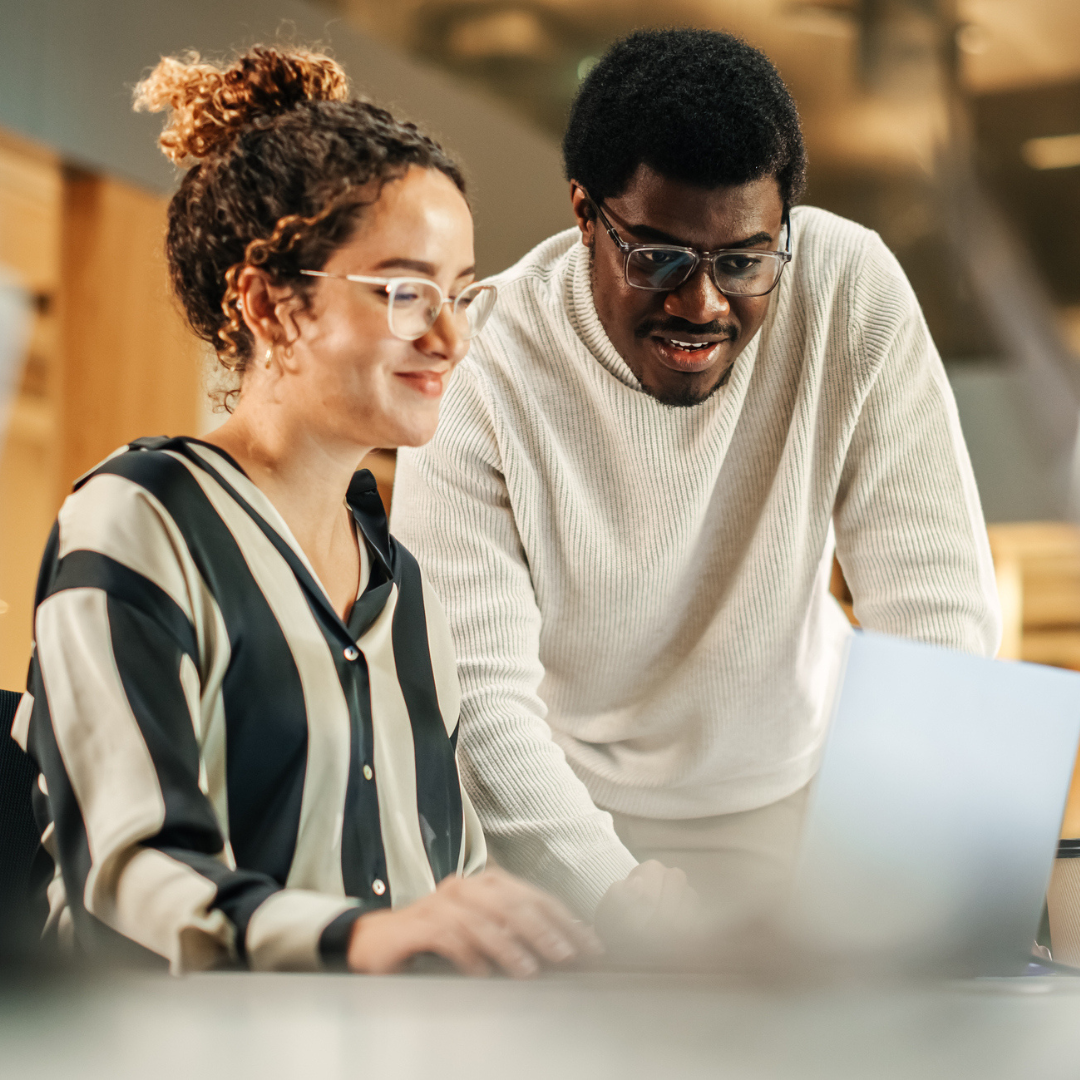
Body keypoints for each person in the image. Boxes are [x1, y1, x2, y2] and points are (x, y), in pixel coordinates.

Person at [12, 46, 601, 975]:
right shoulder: (143, 518)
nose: (450, 338)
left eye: (461, 294)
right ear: (269, 307)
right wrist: (360, 939)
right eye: (407, 292)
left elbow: (445, 889)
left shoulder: (406, 592)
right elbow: (127, 877)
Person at [391, 29, 1002, 924]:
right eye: (659, 258)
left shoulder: (848, 289)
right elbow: (476, 696)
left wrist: (892, 874)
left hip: (795, 797)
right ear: (584, 213)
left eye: (744, 261)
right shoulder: (484, 366)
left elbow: (936, 611)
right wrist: (615, 894)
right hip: (560, 818)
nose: (703, 304)